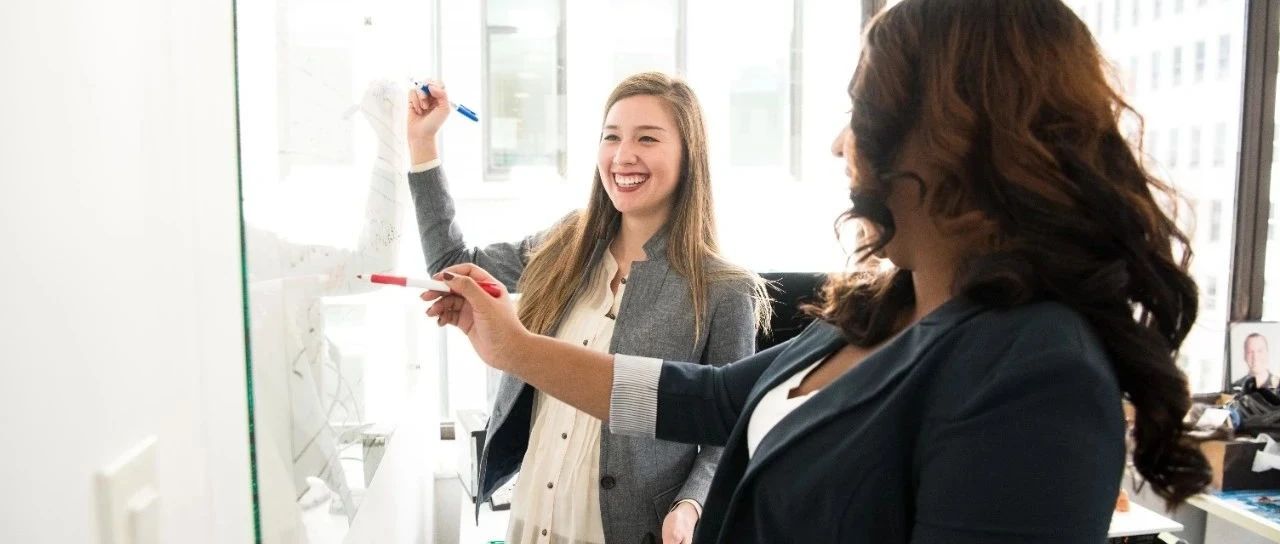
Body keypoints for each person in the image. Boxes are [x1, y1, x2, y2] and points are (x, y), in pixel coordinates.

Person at [421, 1, 1212, 542]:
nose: (840, 146)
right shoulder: (881, 310)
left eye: (858, 111)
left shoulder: (1034, 370)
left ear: (947, 136)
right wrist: (514, 349)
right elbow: (711, 397)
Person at [405, 72, 769, 544]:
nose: (623, 156)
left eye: (647, 139)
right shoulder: (566, 246)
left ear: (688, 156)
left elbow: (731, 428)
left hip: (626, 530)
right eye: (611, 137)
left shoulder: (723, 289)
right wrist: (423, 143)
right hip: (532, 518)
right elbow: (453, 266)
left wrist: (690, 504)